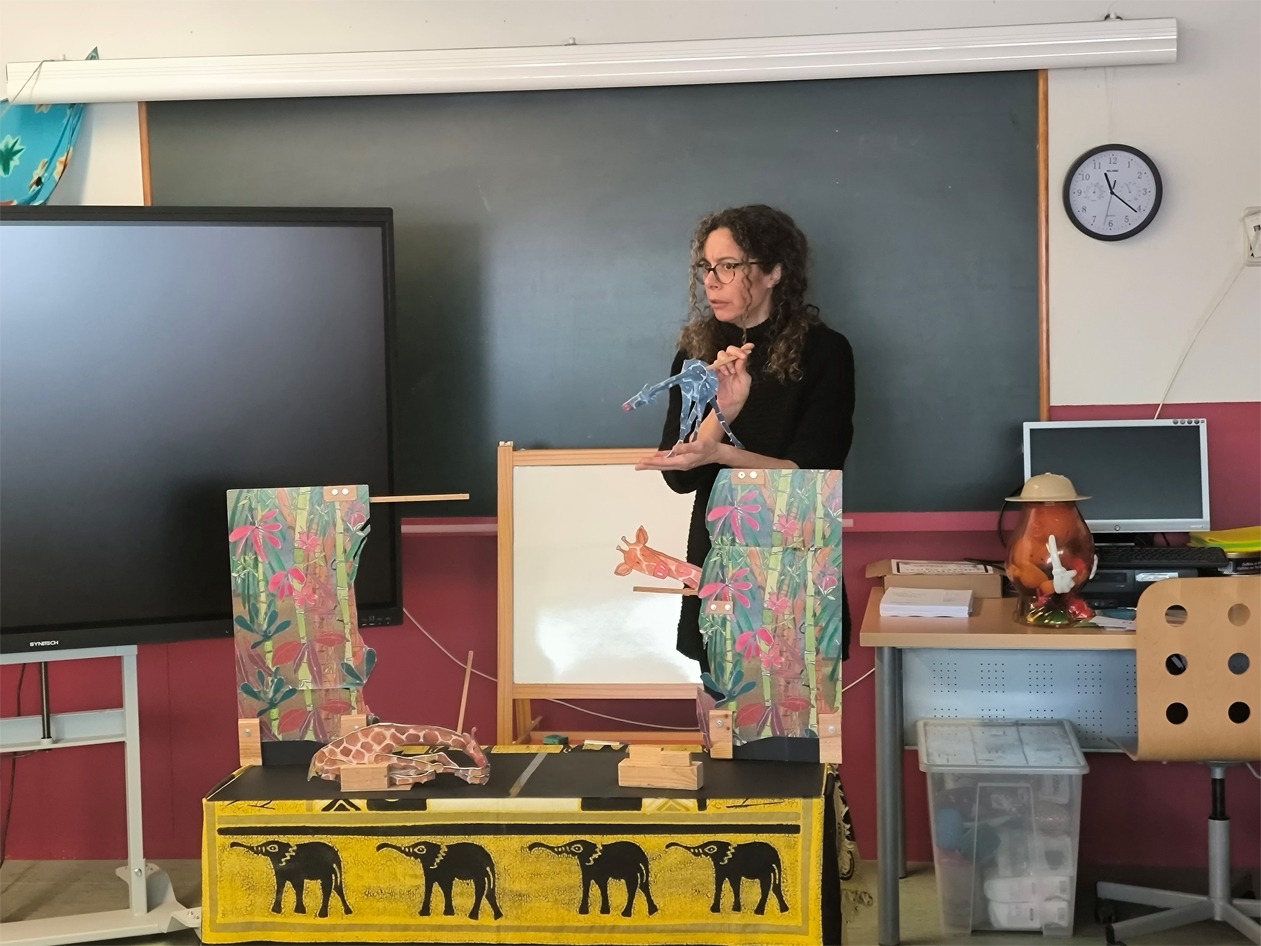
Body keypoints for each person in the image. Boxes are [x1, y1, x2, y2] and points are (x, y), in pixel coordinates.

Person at [637, 204, 855, 672]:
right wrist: (722, 413)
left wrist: (722, 452)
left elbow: (811, 474)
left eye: (729, 266)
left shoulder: (824, 352)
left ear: (774, 272)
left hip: (795, 566)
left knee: (794, 710)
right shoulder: (696, 353)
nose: (711, 281)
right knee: (721, 709)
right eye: (707, 266)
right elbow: (680, 477)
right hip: (719, 562)